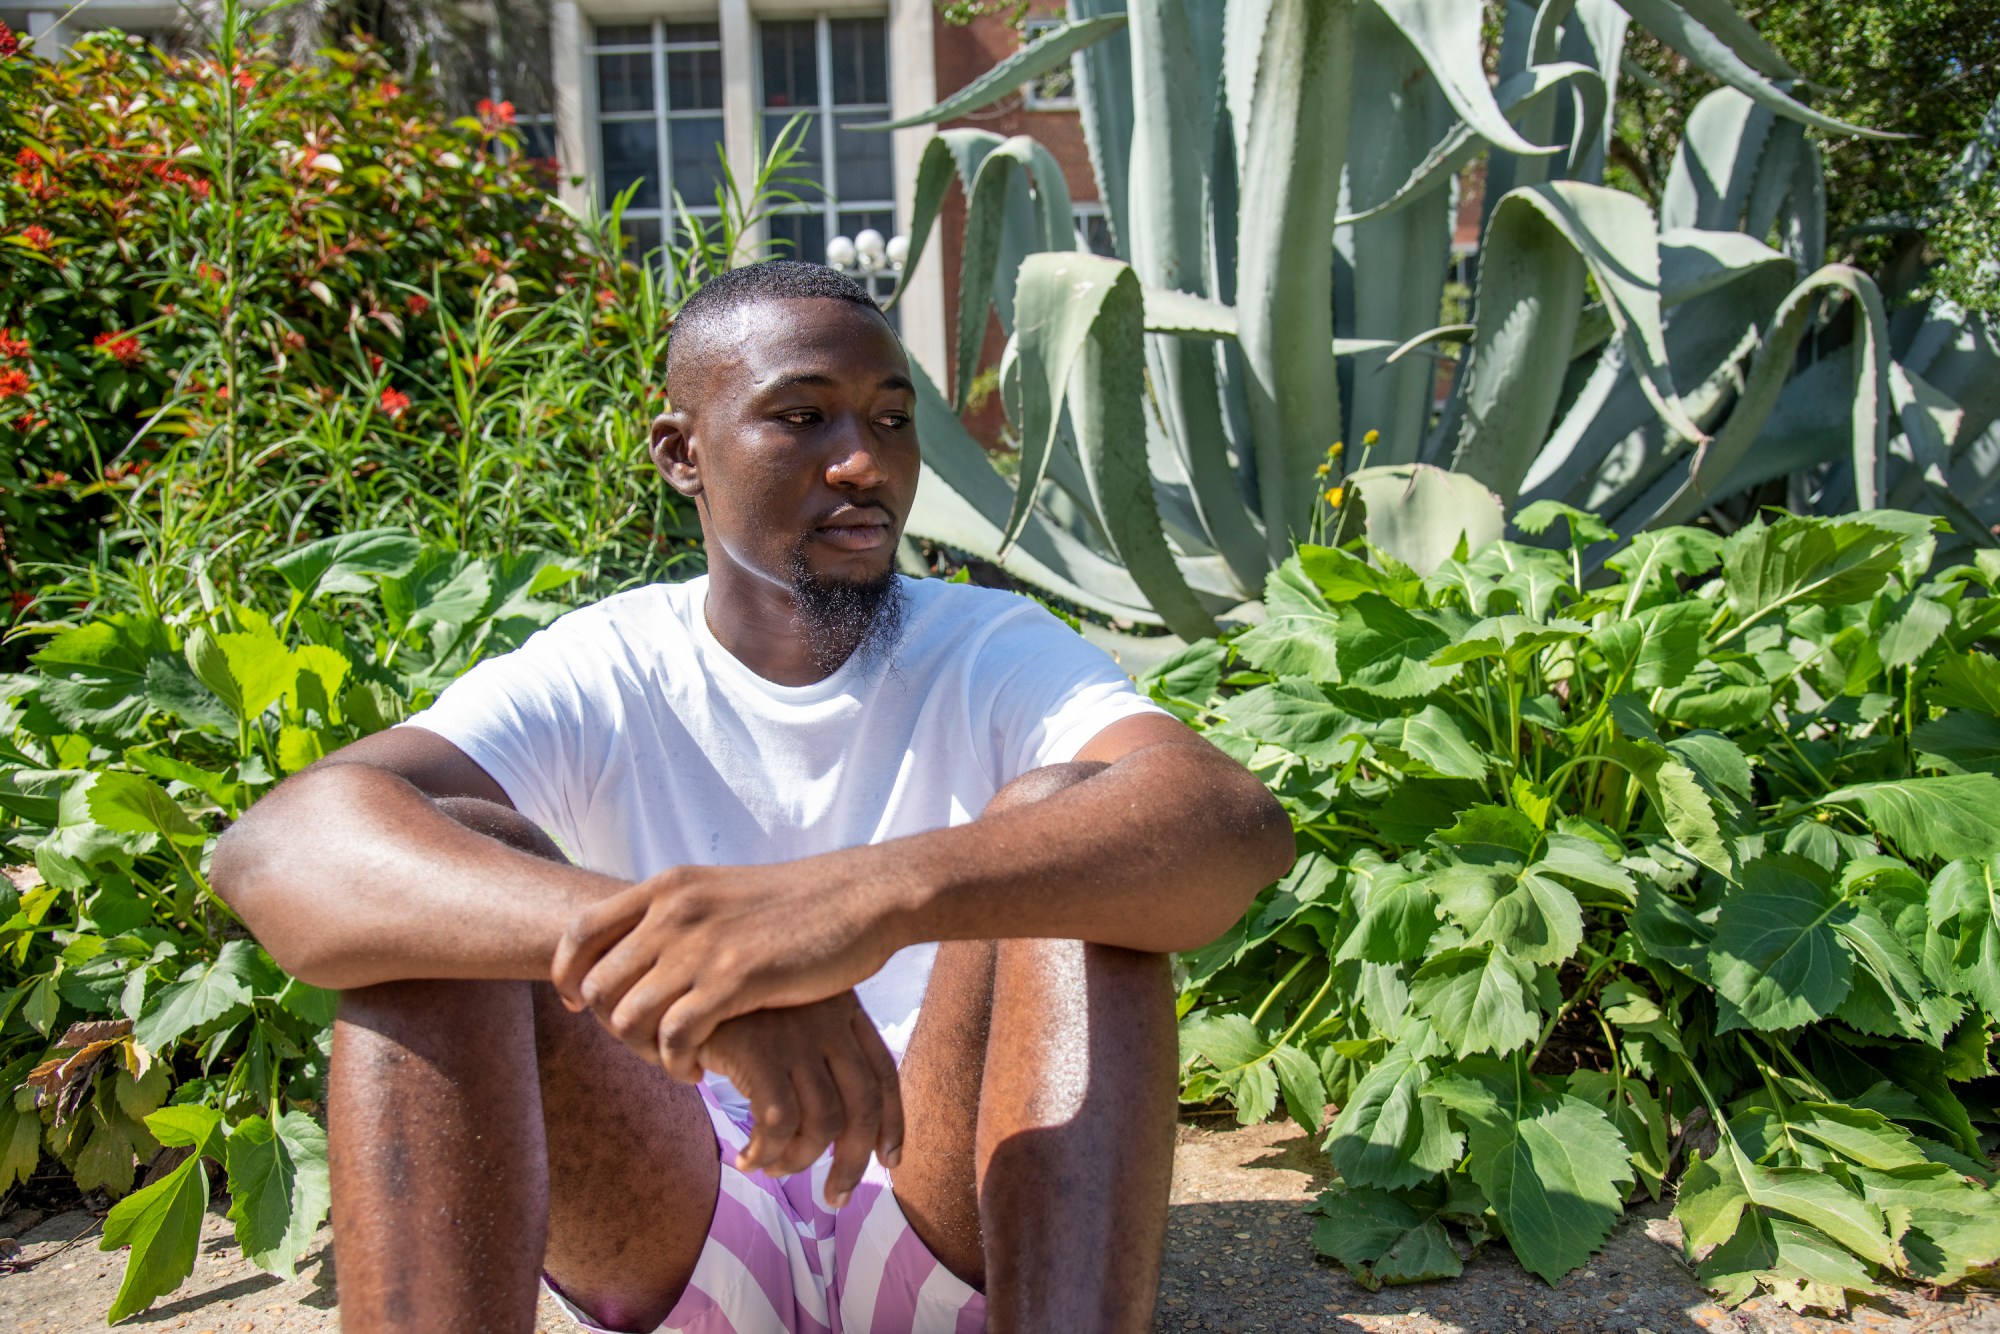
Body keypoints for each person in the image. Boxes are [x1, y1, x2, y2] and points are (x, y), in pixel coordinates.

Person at [213, 260, 1294, 1334]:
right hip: (675, 1224)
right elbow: (274, 851)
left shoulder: (988, 647)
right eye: (804, 416)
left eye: (890, 418)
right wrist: (707, 973)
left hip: (944, 1215)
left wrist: (855, 903)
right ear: (682, 452)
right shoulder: (605, 664)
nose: (863, 461)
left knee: (1077, 820)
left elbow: (1224, 817)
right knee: (436, 901)